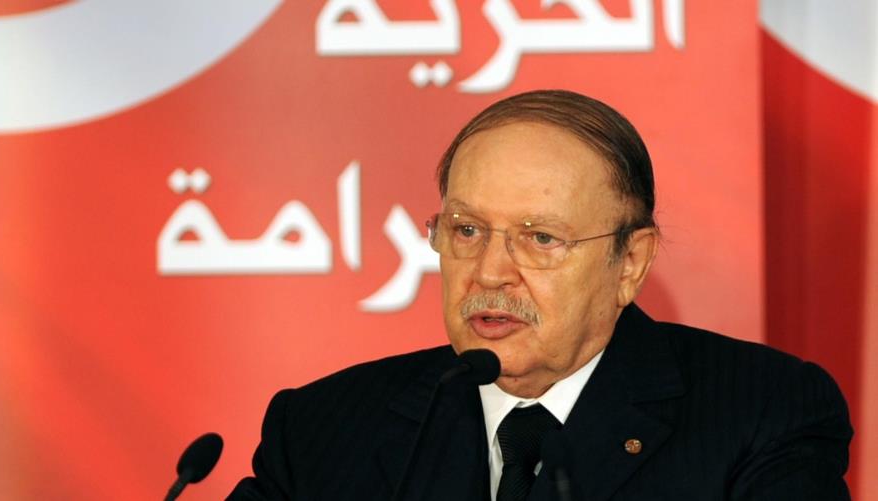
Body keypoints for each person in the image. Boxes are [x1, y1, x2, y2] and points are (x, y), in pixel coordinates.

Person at [228, 90, 852, 500]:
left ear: (630, 262)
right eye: (467, 231)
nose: (490, 273)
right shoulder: (322, 429)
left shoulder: (762, 414)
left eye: (541, 238)